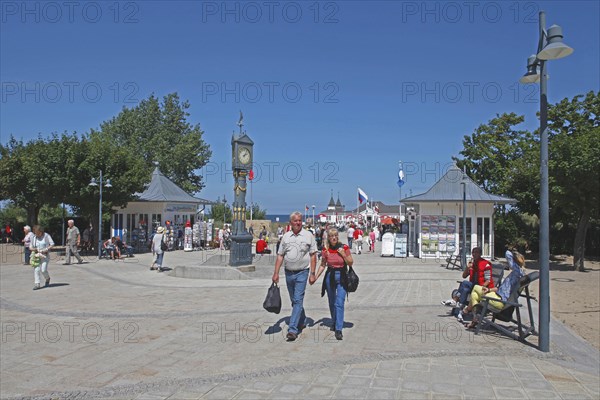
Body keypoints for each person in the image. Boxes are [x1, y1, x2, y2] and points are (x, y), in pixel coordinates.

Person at [272, 212, 317, 341]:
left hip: (302, 272)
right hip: (288, 272)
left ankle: (292, 329)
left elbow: (313, 255)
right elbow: (280, 255)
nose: (298, 223)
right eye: (295, 221)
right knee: (294, 300)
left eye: (300, 220)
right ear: (291, 223)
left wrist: (312, 274)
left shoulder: (309, 236)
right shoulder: (286, 237)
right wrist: (276, 273)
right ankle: (301, 319)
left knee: (298, 299)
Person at [464, 251, 526, 328]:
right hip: (498, 297)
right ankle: (474, 319)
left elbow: (507, 253)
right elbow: (501, 289)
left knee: (476, 288)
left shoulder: (517, 272)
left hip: (499, 302)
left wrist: (514, 253)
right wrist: (489, 290)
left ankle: (468, 310)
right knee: (475, 295)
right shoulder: (519, 273)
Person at [313, 227, 354, 340]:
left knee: (339, 302)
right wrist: (315, 277)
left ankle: (339, 329)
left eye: (335, 235)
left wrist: (344, 255)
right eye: (331, 236)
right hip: (330, 276)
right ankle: (334, 321)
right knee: (331, 302)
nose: (334, 237)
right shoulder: (325, 250)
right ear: (328, 238)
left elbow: (351, 262)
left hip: (342, 276)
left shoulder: (344, 247)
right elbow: (322, 265)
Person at [441, 247, 494, 321]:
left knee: (465, 283)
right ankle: (460, 312)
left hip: (482, 287)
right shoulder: (473, 264)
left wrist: (481, 288)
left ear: (480, 254)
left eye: (476, 252)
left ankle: (455, 300)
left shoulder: (486, 264)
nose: (474, 254)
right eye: (473, 252)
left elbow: (488, 280)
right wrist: (467, 268)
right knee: (465, 289)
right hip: (473, 285)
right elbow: (464, 276)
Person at [29, 225, 54, 290]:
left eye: (38, 233)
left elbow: (52, 244)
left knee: (43, 270)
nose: (37, 235)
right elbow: (30, 247)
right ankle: (37, 284)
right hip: (36, 256)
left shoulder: (46, 236)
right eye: (35, 233)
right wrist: (34, 249)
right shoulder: (33, 237)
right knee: (36, 269)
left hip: (45, 255)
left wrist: (46, 249)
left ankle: (47, 278)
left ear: (41, 231)